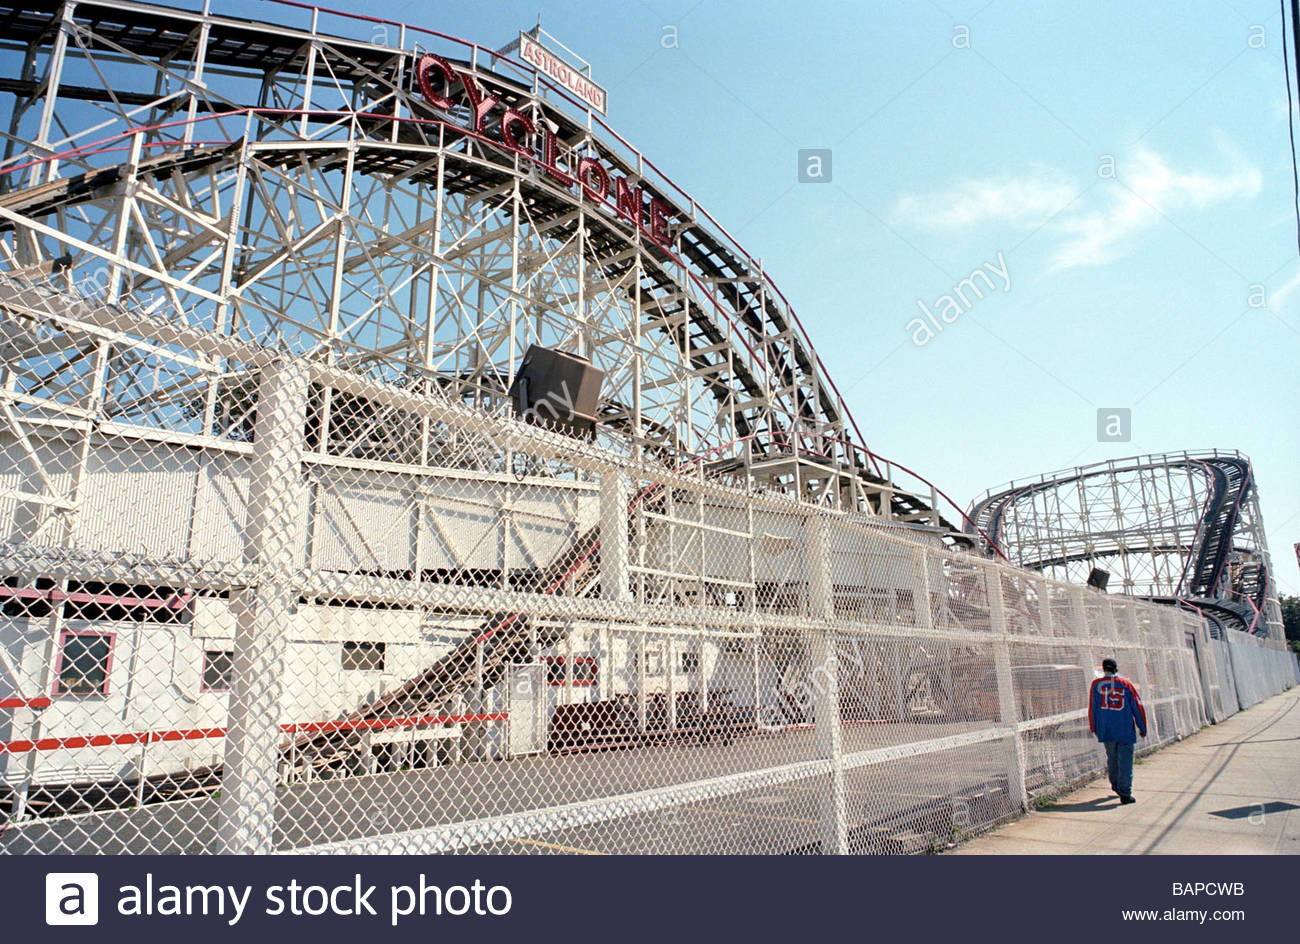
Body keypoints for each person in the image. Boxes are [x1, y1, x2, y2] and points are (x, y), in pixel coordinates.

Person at [1088, 657, 1147, 804]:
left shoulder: (1096, 685)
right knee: (1125, 761)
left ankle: (1115, 784)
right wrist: (1142, 726)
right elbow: (1137, 706)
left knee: (1112, 759)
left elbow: (1093, 708)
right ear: (1116, 669)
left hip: (1106, 729)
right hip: (1125, 728)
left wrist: (1094, 726)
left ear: (1103, 669)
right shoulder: (1126, 684)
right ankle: (1125, 792)